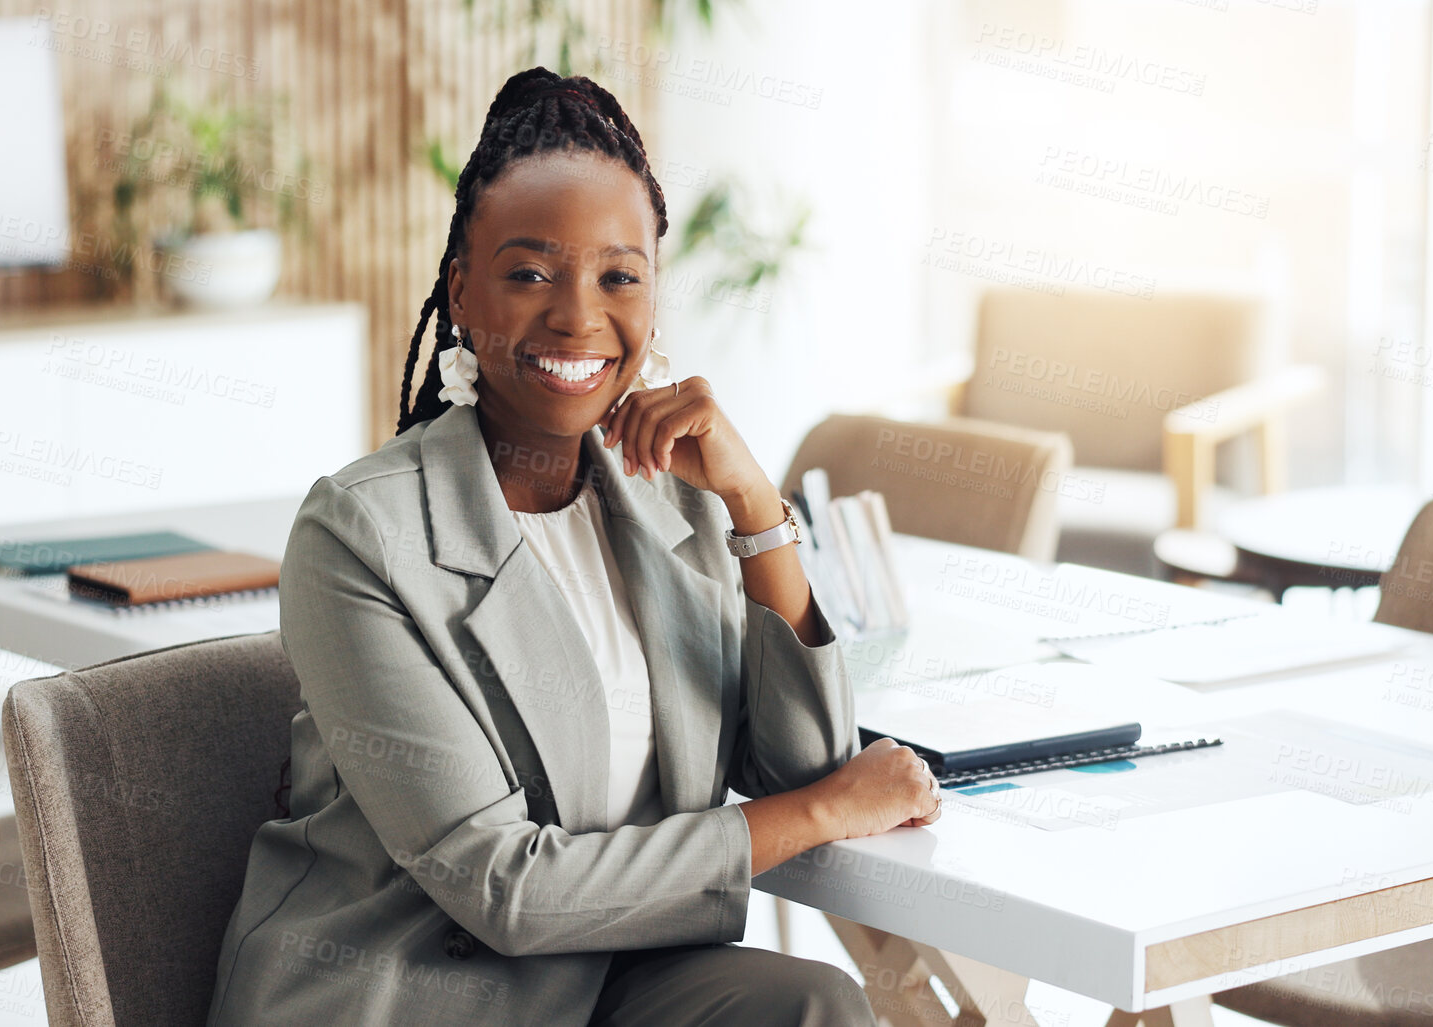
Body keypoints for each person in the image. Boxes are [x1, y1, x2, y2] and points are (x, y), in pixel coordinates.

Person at [206, 68, 941, 1027]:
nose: (578, 316)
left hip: (602, 977)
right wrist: (824, 814)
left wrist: (755, 506)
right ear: (461, 294)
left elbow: (802, 766)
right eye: (529, 273)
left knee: (811, 1003)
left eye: (618, 275)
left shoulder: (665, 502)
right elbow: (503, 887)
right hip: (404, 994)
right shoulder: (360, 534)